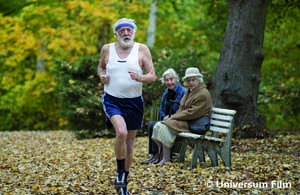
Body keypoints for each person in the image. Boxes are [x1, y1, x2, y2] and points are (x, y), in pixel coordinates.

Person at [98, 18, 156, 195]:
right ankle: (119, 173)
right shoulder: (107, 49)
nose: (125, 33)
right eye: (121, 30)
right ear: (116, 34)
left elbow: (152, 76)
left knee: (130, 144)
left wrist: (140, 78)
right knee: (121, 132)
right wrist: (102, 76)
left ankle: (124, 182)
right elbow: (100, 67)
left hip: (134, 101)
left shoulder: (142, 49)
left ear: (133, 32)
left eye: (128, 30)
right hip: (112, 99)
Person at [151, 67, 212, 165]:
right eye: (189, 80)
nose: (191, 82)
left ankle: (166, 158)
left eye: (193, 80)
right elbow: (181, 108)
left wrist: (173, 117)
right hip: (186, 120)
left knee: (163, 127)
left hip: (194, 123)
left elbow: (191, 112)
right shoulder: (190, 91)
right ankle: (162, 156)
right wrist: (172, 117)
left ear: (199, 80)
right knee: (157, 126)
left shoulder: (203, 94)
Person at [142, 68, 186, 164]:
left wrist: (171, 117)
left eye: (171, 79)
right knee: (151, 125)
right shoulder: (166, 93)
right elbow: (162, 109)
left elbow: (182, 110)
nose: (169, 82)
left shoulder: (183, 92)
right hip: (167, 119)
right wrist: (164, 116)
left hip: (176, 121)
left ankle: (161, 155)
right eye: (166, 80)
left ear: (176, 79)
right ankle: (154, 155)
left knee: (156, 125)